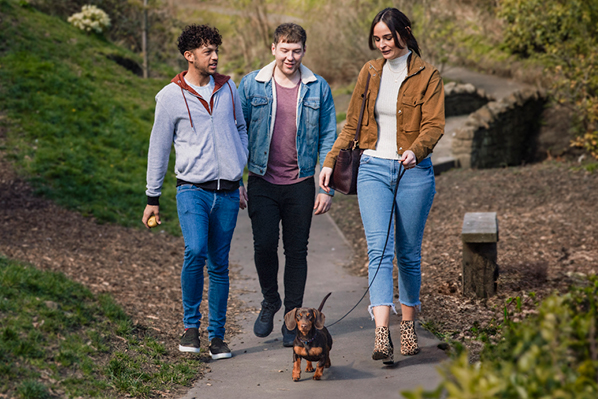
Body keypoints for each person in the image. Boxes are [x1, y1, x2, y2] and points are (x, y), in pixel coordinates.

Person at [320, 8, 444, 364]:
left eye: (387, 37)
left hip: (413, 173)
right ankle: (380, 334)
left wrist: (416, 152)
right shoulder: (369, 72)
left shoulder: (428, 75)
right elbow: (351, 126)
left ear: (403, 33)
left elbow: (434, 126)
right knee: (378, 251)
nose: (382, 44)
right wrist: (330, 161)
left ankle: (407, 329)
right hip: (372, 168)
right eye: (377, 39)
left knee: (407, 253)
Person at [142, 24, 248, 360]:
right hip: (192, 190)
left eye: (216, 50)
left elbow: (240, 128)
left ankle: (217, 337)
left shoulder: (228, 88)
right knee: (196, 250)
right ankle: (191, 327)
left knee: (219, 265)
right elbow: (158, 149)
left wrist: (239, 165)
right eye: (207, 51)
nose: (215, 56)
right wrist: (152, 198)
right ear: (189, 56)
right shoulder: (170, 97)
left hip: (229, 192)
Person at [238, 23, 337, 347]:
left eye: (296, 51)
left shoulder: (317, 87)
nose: (290, 56)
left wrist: (326, 187)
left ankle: (292, 317)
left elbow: (328, 137)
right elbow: (236, 132)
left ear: (304, 51)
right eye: (284, 50)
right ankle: (271, 301)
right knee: (264, 245)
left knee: (296, 251)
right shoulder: (252, 85)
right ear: (273, 49)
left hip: (300, 183)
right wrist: (235, 180)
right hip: (262, 180)